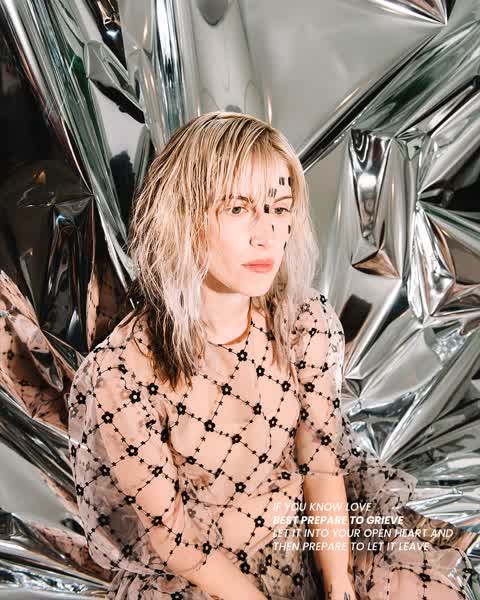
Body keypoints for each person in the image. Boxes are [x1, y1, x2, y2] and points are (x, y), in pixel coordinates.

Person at [68, 111, 475, 600]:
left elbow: (321, 464)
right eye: (238, 208)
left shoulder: (300, 321)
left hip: (305, 530)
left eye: (279, 208)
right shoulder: (121, 373)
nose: (266, 234)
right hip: (204, 573)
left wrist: (339, 585)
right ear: (185, 217)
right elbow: (176, 540)